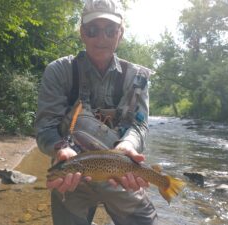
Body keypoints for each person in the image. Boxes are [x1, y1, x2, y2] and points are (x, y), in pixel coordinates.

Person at [35, 0, 158, 224]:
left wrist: (128, 145)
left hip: (121, 174)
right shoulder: (59, 71)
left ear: (120, 33)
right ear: (82, 33)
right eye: (93, 30)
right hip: (72, 179)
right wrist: (62, 148)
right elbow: (45, 128)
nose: (102, 38)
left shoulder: (137, 78)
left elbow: (139, 125)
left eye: (110, 30)